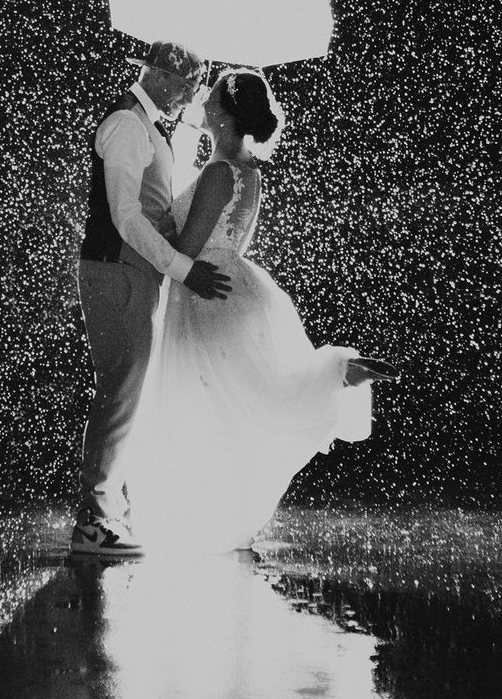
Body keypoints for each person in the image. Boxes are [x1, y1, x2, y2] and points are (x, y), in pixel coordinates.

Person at [121, 68, 383, 553]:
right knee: (239, 394)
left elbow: (190, 246)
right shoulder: (246, 169)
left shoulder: (219, 173)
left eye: (210, 94)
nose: (201, 98)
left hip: (204, 294)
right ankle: (335, 373)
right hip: (237, 288)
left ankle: (334, 373)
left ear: (221, 112)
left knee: (212, 402)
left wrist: (146, 220)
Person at [73, 41, 232, 557]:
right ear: (162, 76)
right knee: (120, 393)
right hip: (116, 271)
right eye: (189, 84)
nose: (192, 96)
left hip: (134, 275)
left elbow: (154, 202)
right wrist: (183, 269)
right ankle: (94, 525)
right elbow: (125, 216)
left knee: (127, 394)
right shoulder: (125, 124)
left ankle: (108, 513)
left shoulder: (151, 126)